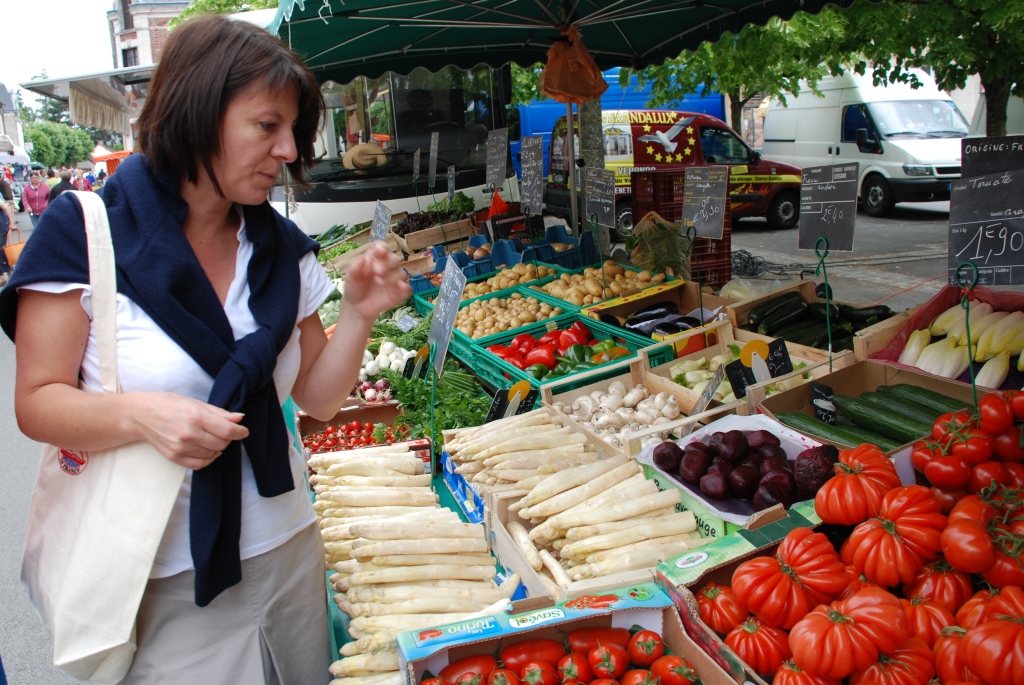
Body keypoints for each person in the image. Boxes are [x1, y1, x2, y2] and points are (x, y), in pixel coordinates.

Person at [0, 14, 411, 683]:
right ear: (199, 112)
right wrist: (145, 417)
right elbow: (37, 402)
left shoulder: (279, 245)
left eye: (292, 132)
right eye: (266, 126)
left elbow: (318, 397)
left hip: (289, 552)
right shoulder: (84, 233)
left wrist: (360, 314)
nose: (286, 150)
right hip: (161, 573)